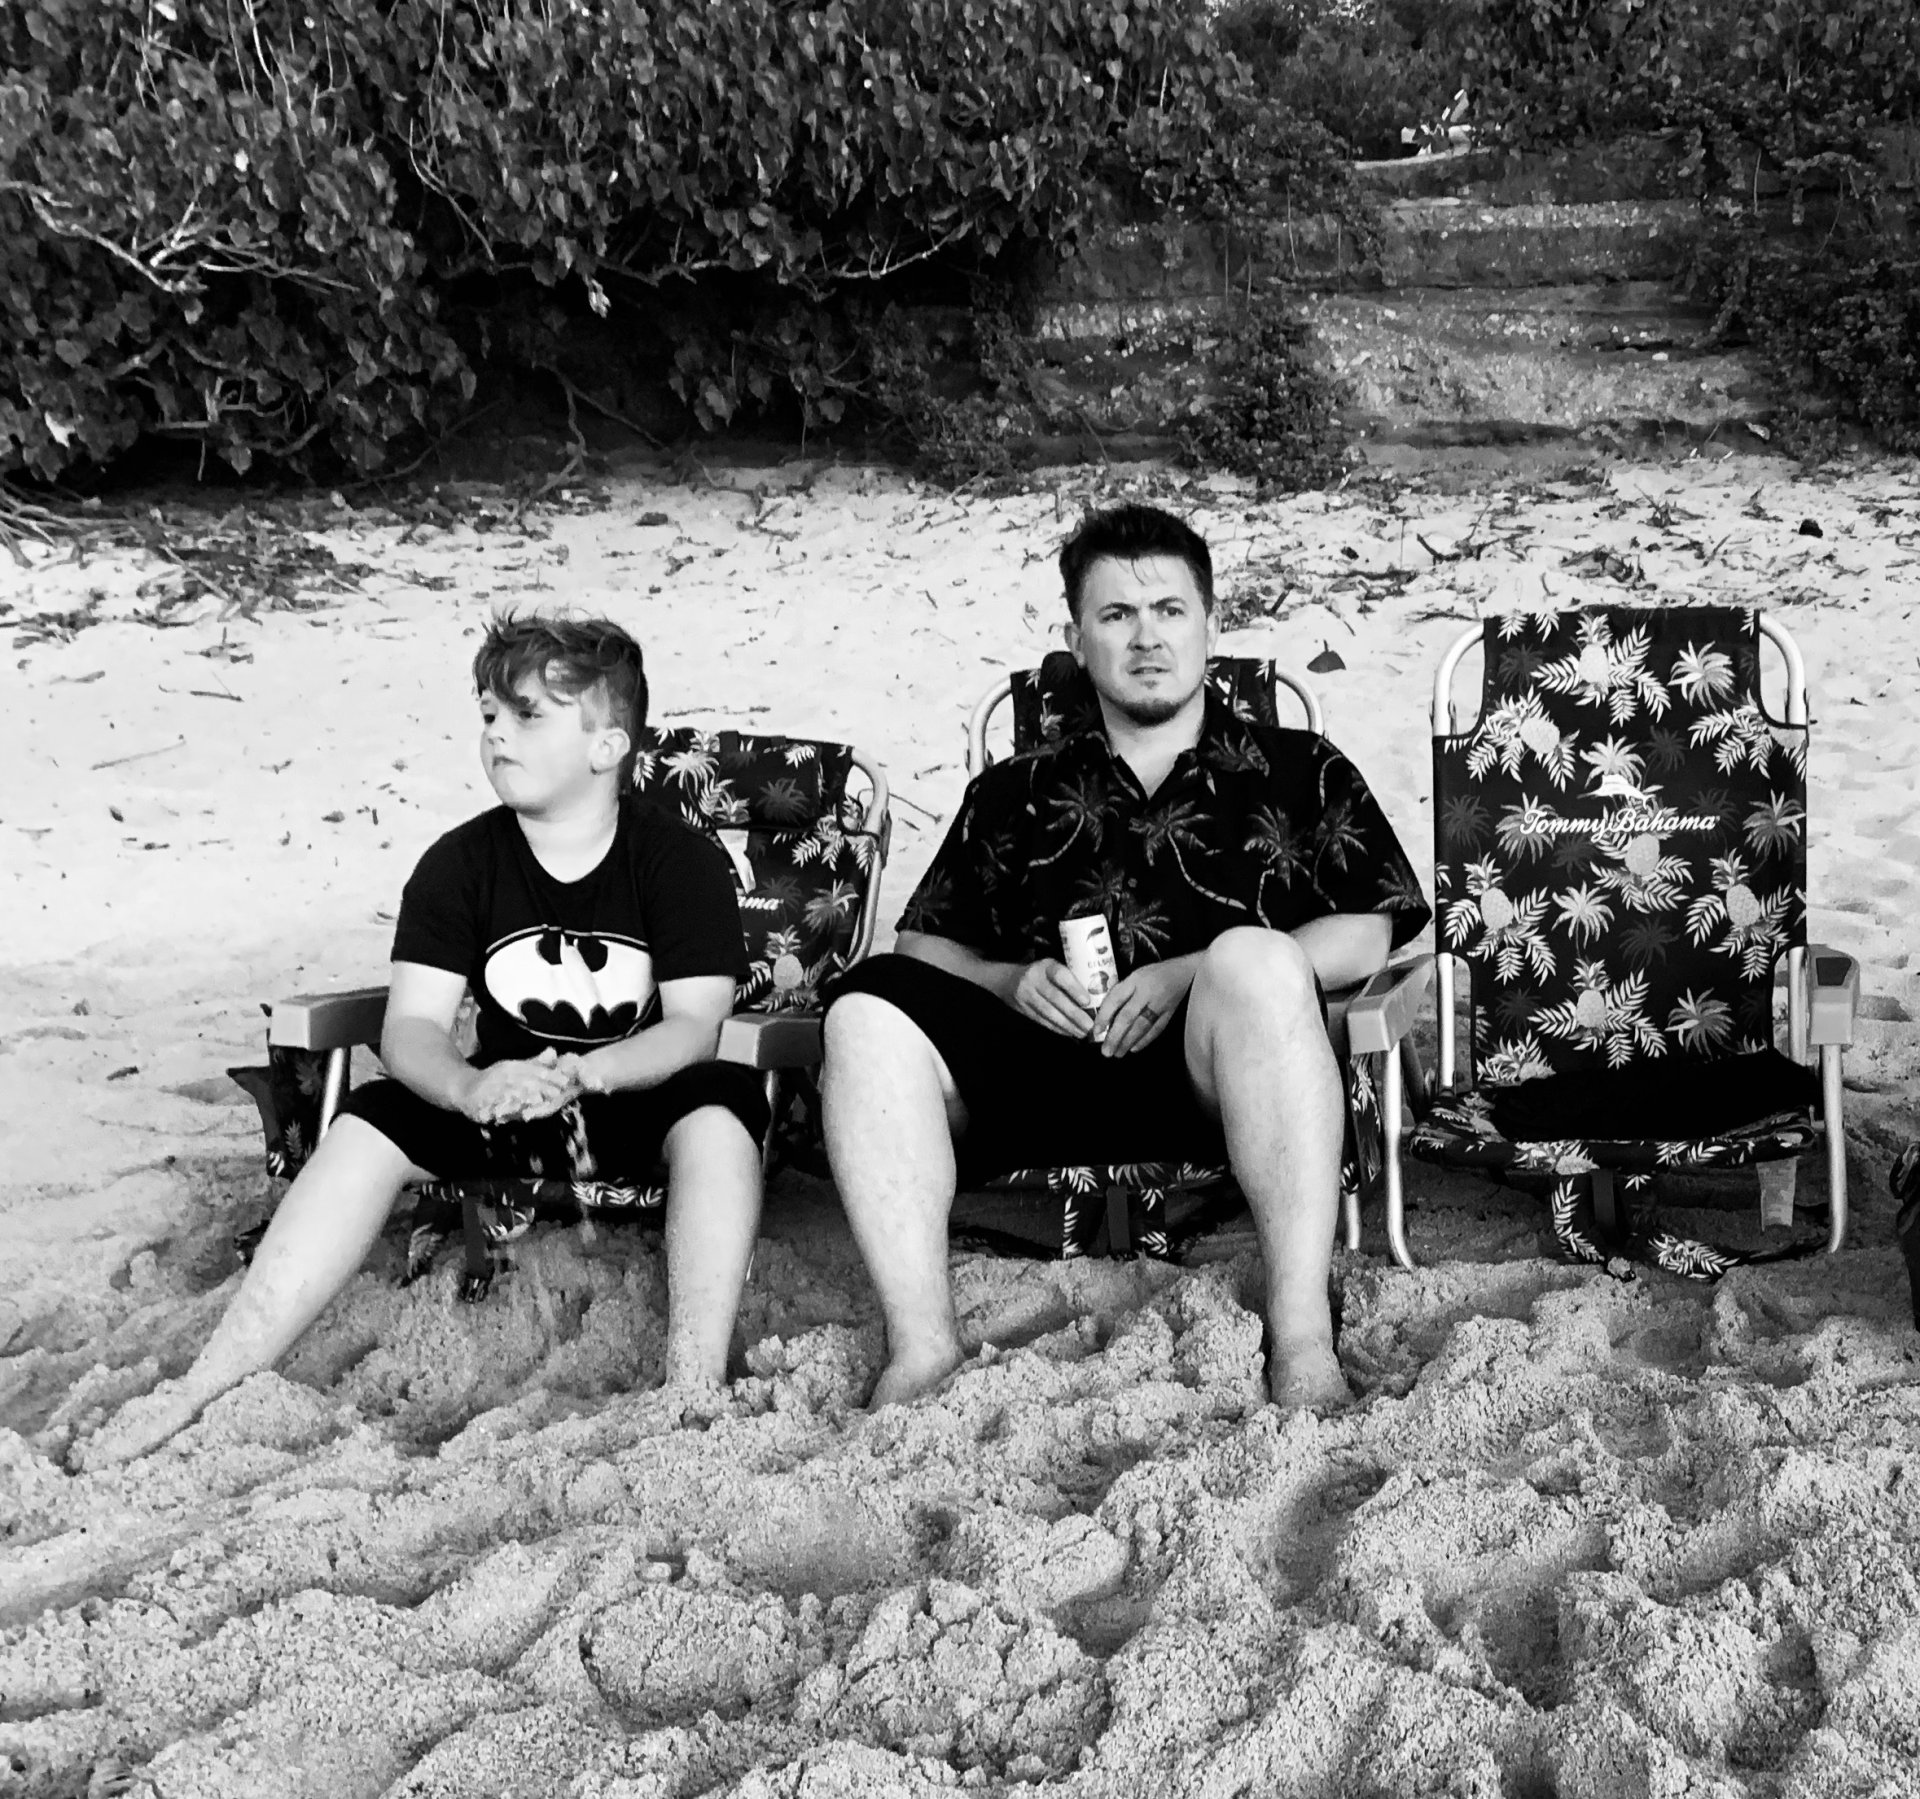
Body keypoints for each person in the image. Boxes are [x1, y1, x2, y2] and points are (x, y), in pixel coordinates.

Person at [84, 613, 767, 1465]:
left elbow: (695, 1027)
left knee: (722, 1106)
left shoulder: (677, 862)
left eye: (528, 716)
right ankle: (210, 1378)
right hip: (501, 1096)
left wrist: (593, 1072)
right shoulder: (459, 864)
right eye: (489, 714)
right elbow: (409, 1028)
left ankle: (693, 1380)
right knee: (374, 1115)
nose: (498, 733)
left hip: (635, 1093)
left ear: (607, 747)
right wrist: (468, 1087)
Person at [821, 504, 1430, 1411]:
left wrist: (1192, 971)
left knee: (1258, 964)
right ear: (1078, 639)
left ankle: (1301, 1336)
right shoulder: (1017, 790)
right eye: (1116, 615)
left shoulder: (1298, 768)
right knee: (865, 1009)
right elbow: (921, 947)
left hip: (1218, 1080)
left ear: (1210, 624)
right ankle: (921, 1345)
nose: (1147, 637)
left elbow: (1369, 930)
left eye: (1169, 610)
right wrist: (1009, 980)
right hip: (1040, 1072)